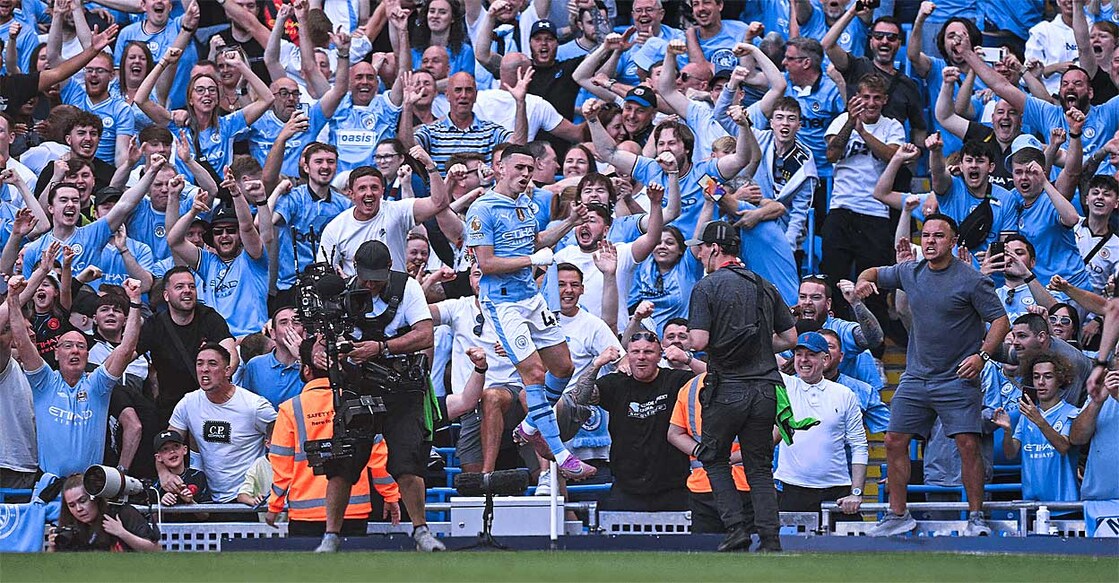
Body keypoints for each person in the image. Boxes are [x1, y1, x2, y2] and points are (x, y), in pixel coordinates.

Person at [857, 214, 1010, 537]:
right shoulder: (910, 272)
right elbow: (872, 272)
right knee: (893, 440)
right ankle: (898, 515)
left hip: (957, 376)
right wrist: (863, 281)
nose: (929, 241)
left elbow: (1000, 321)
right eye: (925, 235)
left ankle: (976, 516)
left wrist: (982, 356)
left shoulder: (971, 279)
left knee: (968, 444)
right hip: (916, 376)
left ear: (952, 242)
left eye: (938, 236)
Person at [465, 144, 597, 480]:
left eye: (529, 169)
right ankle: (562, 454)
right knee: (534, 375)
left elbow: (537, 240)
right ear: (500, 168)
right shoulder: (482, 210)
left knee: (564, 367)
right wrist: (530, 261)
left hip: (532, 298)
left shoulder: (525, 203)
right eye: (519, 168)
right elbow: (486, 263)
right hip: (504, 303)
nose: (525, 175)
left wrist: (569, 222)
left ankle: (529, 423)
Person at [317, 240, 441, 552]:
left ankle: (421, 530)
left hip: (402, 386)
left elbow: (425, 333)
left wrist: (382, 347)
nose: (370, 284)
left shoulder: (408, 288)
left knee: (408, 461)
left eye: (377, 277)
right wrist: (328, 351)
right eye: (366, 277)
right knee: (342, 460)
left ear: (389, 269)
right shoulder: (342, 292)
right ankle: (331, 535)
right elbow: (321, 339)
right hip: (358, 384)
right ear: (355, 271)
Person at [686, 219, 797, 552]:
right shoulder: (764, 284)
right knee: (759, 466)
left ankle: (736, 529)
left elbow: (700, 339)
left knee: (714, 457)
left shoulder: (706, 287)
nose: (700, 255)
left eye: (702, 249)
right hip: (765, 389)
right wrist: (760, 344)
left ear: (715, 249)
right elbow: (790, 338)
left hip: (728, 388)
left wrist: (690, 341)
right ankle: (771, 539)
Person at [268, 337, 401, 542]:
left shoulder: (290, 409)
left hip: (306, 512)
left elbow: (281, 463)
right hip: (352, 509)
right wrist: (390, 495)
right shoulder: (358, 404)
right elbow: (378, 456)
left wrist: (275, 505)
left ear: (306, 370)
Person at [8, 276, 143, 478]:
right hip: (49, 489)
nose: (75, 351)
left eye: (81, 346)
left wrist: (135, 301)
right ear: (56, 353)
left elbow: (126, 349)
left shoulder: (97, 385)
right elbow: (22, 341)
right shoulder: (44, 382)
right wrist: (12, 298)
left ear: (87, 355)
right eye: (68, 346)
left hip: (89, 489)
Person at [575, 336, 693, 511]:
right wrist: (597, 364)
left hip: (673, 487)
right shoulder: (616, 383)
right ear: (628, 355)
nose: (641, 357)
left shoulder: (676, 380)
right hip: (626, 487)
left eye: (648, 351)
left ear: (660, 356)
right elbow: (580, 398)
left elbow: (716, 381)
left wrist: (687, 359)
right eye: (635, 352)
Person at [160, 342, 277, 503]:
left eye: (212, 364)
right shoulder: (188, 403)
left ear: (227, 370)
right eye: (199, 364)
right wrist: (163, 472)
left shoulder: (254, 406)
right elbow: (165, 444)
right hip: (207, 498)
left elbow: (285, 440)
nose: (204, 369)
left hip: (247, 499)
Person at [775, 332, 868, 520]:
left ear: (825, 359)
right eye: (799, 354)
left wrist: (856, 492)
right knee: (787, 549)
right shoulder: (782, 385)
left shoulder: (844, 394)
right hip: (791, 489)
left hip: (837, 491)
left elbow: (859, 445)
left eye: (811, 354)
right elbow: (757, 352)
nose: (803, 360)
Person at [136, 266, 238, 426]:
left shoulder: (209, 317)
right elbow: (128, 353)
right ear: (166, 295)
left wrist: (215, 381)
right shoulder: (155, 324)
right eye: (179, 287)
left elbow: (231, 354)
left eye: (191, 286)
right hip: (171, 408)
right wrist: (134, 306)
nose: (187, 290)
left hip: (210, 403)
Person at [992, 354, 1080, 503]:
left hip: (1064, 501)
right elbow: (1011, 453)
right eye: (1036, 377)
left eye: (1048, 377)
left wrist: (1039, 420)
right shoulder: (1026, 415)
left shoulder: (1071, 412)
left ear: (1060, 379)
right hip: (1031, 502)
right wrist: (1007, 431)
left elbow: (1063, 446)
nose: (1041, 382)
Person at [47, 472, 161, 552]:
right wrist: (52, 547)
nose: (78, 509)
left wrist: (122, 533)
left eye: (82, 501)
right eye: (71, 505)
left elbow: (156, 549)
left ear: (95, 497)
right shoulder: (71, 526)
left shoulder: (121, 513)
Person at [235, 306, 305, 409]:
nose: (291, 327)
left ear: (304, 331)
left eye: (296, 323)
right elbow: (248, 406)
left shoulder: (313, 364)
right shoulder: (255, 365)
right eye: (283, 322)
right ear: (273, 333)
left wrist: (302, 357)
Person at [151, 429, 212, 506]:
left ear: (185, 450)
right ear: (158, 457)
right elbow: (150, 516)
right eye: (165, 449)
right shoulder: (156, 485)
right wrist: (162, 504)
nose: (172, 451)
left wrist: (190, 501)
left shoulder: (198, 476)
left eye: (176, 446)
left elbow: (206, 515)